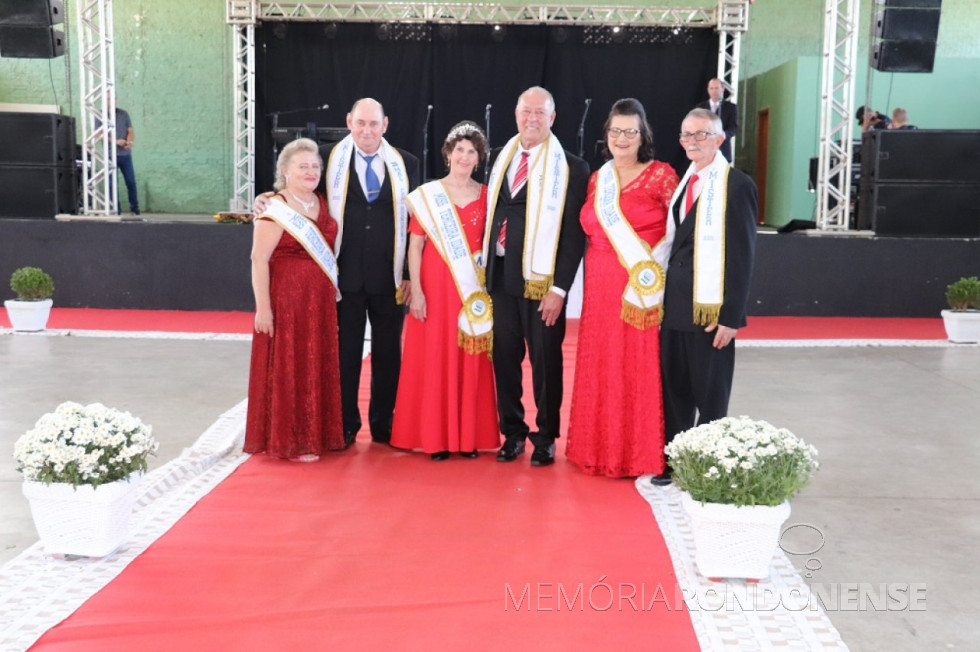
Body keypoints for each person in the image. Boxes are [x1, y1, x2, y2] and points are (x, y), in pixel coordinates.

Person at [254, 98, 419, 448]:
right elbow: (297, 187)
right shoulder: (328, 158)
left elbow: (415, 222)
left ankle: (384, 424)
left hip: (390, 279)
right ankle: (343, 424)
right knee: (344, 355)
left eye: (374, 124)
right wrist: (267, 196)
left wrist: (407, 272)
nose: (367, 130)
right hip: (343, 277)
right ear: (348, 121)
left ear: (385, 124)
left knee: (390, 355)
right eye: (360, 123)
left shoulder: (408, 163)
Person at [566, 99, 679, 478]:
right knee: (602, 364)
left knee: (636, 365)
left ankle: (637, 454)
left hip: (639, 287)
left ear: (643, 134)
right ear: (606, 134)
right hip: (599, 289)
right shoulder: (599, 179)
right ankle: (598, 448)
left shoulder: (662, 175)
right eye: (615, 130)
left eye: (630, 131)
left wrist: (652, 274)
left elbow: (678, 232)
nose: (622, 138)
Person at [483, 86, 589, 467]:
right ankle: (512, 433)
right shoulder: (498, 157)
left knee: (546, 362)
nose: (531, 119)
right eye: (525, 111)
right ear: (515, 114)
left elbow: (574, 236)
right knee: (504, 360)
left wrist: (559, 288)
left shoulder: (572, 167)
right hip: (499, 279)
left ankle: (545, 436)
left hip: (542, 284)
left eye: (539, 113)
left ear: (552, 117)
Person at [652, 108, 758, 485]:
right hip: (675, 305)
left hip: (710, 310)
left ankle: (707, 467)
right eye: (686, 136)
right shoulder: (686, 181)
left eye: (701, 135)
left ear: (719, 138)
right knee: (675, 389)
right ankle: (677, 461)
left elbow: (743, 255)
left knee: (710, 393)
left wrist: (732, 316)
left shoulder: (737, 184)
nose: (692, 142)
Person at [391, 122, 500, 460]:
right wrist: (418, 291)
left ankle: (467, 438)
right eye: (460, 150)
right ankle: (436, 437)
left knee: (471, 354)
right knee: (435, 356)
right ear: (448, 154)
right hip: (435, 285)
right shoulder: (429, 195)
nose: (465, 156)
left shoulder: (487, 196)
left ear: (478, 158)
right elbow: (415, 246)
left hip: (471, 291)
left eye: (472, 151)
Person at [244, 138, 344, 460]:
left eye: (315, 166)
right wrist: (264, 309)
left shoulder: (324, 202)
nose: (311, 171)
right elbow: (259, 259)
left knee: (315, 364)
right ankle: (293, 439)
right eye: (303, 166)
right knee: (292, 366)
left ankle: (318, 434)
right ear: (285, 171)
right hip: (287, 305)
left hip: (319, 306)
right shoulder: (273, 207)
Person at [95, 104, 140, 215]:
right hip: (110, 155)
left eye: (113, 98)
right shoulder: (99, 115)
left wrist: (129, 141)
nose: (111, 101)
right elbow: (98, 134)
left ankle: (134, 208)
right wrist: (114, 141)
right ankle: (115, 210)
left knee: (131, 182)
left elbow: (130, 131)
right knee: (111, 184)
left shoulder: (123, 114)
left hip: (125, 155)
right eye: (108, 98)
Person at [696, 79, 739, 163]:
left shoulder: (731, 107)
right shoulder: (700, 108)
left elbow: (734, 127)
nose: (714, 91)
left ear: (722, 89)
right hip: (704, 150)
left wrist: (724, 134)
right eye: (711, 88)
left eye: (716, 88)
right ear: (708, 90)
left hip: (723, 150)